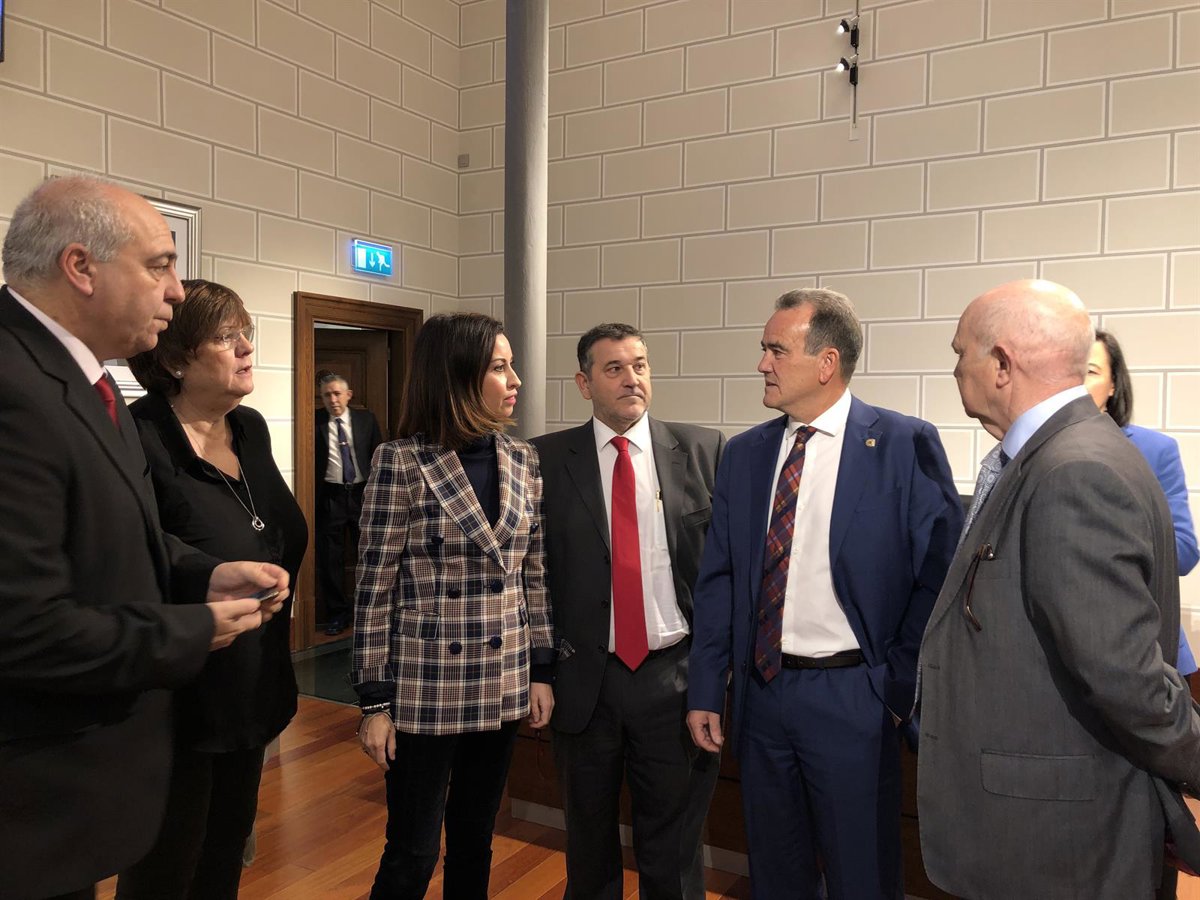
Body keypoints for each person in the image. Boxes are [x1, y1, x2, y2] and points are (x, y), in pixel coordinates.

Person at [0, 175, 288, 900]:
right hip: (32, 786)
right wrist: (195, 628)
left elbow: (126, 537)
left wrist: (202, 574)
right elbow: (20, 624)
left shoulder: (86, 388)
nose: (176, 290)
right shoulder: (13, 388)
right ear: (80, 266)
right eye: (159, 265)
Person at [917, 279, 1200, 899]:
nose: (955, 369)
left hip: (1054, 841)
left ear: (1001, 364)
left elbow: (1124, 676)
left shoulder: (1074, 470)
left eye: (960, 352)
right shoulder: (1062, 453)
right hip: (1041, 825)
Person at [687, 288, 962, 900]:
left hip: (854, 698)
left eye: (776, 350)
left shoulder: (902, 444)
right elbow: (720, 578)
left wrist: (895, 685)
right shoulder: (745, 454)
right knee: (775, 873)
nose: (762, 363)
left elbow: (938, 577)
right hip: (761, 697)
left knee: (862, 874)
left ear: (826, 362)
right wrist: (707, 686)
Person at [115, 280, 308, 899]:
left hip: (253, 682)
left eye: (246, 332)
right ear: (175, 359)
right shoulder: (136, 435)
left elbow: (269, 531)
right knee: (166, 868)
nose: (247, 347)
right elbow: (129, 557)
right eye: (227, 337)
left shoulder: (249, 427)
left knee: (225, 854)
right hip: (177, 693)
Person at [353, 312, 555, 900]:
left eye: (511, 365)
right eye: (499, 367)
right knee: (412, 851)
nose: (515, 379)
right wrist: (374, 701)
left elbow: (534, 573)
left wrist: (541, 668)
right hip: (425, 686)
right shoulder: (401, 461)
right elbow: (374, 588)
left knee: (475, 839)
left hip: (503, 676)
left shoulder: (523, 458)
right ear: (458, 376)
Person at [531, 323, 724, 899]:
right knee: (588, 845)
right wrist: (540, 670)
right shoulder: (542, 460)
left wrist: (715, 678)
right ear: (584, 383)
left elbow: (726, 576)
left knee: (674, 848)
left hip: (674, 680)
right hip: (584, 681)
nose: (631, 378)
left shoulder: (703, 450)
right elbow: (531, 577)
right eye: (613, 368)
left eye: (639, 365)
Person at [1086, 328, 1199, 676]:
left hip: (1145, 650)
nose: (1077, 383)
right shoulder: (1031, 451)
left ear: (1113, 385)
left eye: (1090, 371)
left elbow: (1184, 551)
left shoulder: (1153, 450)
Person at [315, 372, 383, 635]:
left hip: (361, 495)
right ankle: (337, 614)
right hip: (330, 497)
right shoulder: (315, 421)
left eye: (336, 394)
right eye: (326, 395)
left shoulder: (366, 420)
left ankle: (368, 611)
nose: (332, 400)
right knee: (330, 559)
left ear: (348, 395)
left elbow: (378, 456)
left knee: (368, 555)